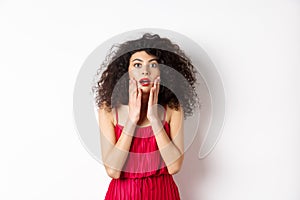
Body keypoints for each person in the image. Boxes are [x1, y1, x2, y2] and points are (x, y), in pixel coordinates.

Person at [92, 33, 199, 200]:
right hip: (122, 194)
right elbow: (112, 170)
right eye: (137, 64)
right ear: (125, 72)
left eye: (153, 65)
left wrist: (155, 119)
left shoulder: (173, 108)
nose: (145, 71)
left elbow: (174, 166)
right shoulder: (108, 109)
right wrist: (132, 120)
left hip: (163, 193)